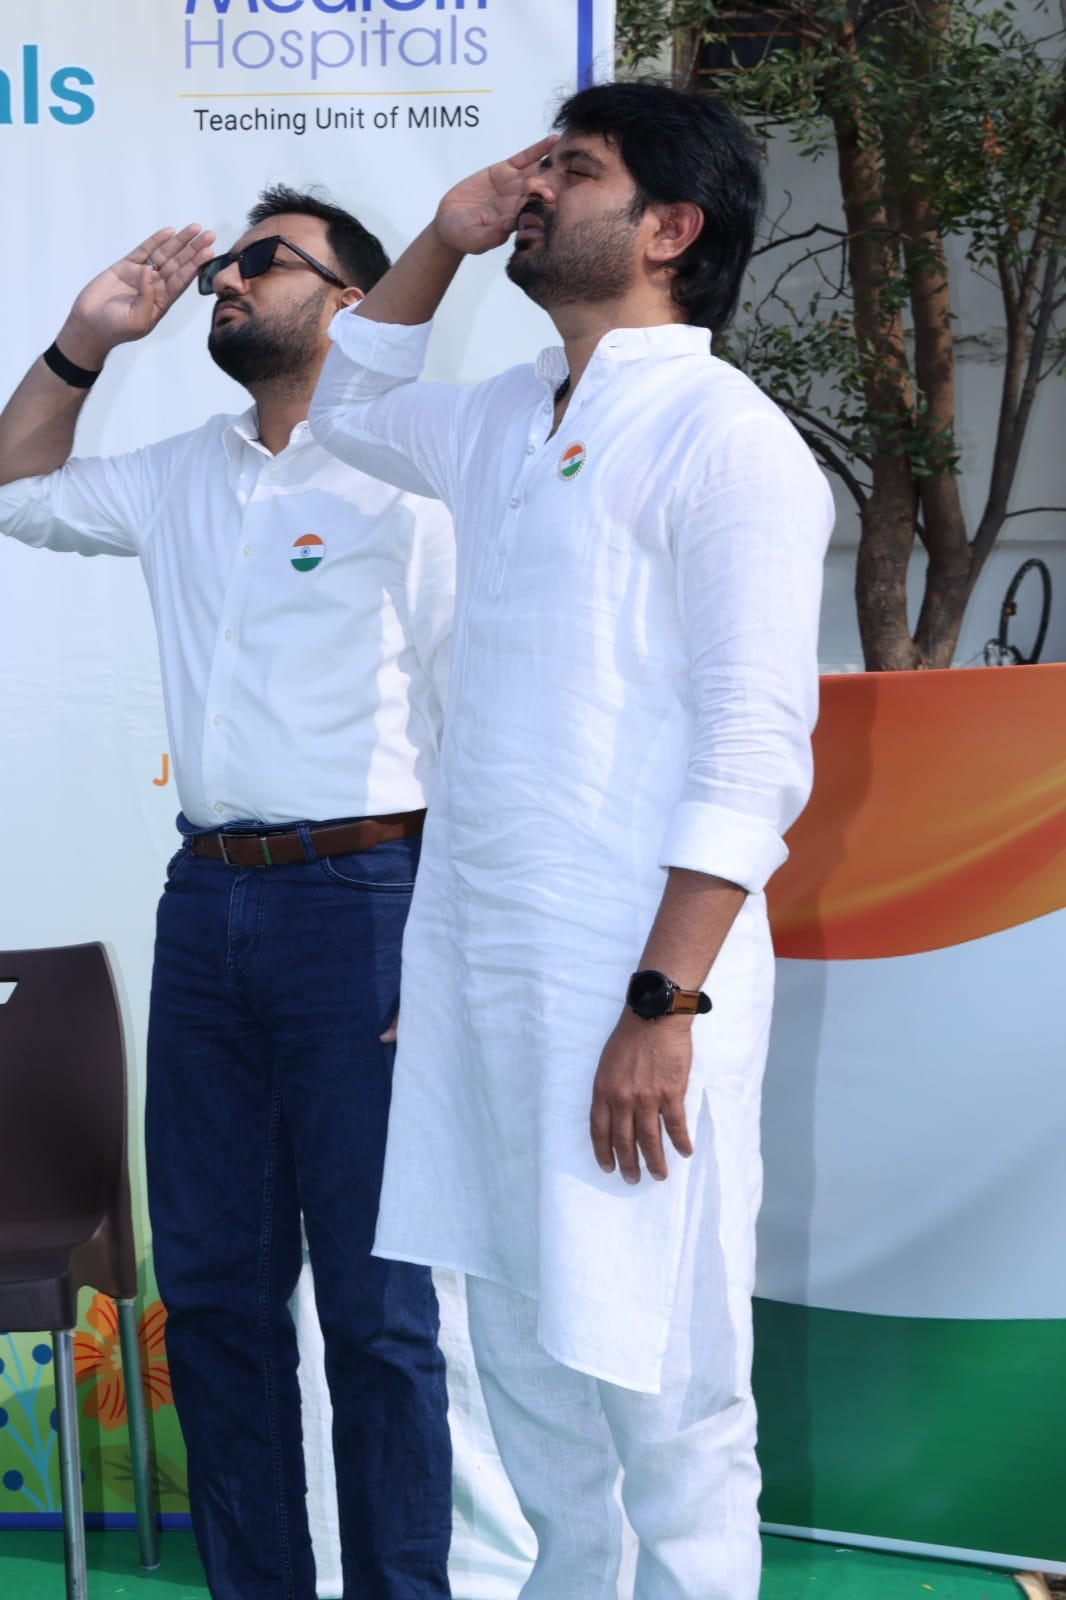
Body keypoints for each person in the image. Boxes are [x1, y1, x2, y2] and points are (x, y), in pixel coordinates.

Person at [309, 80, 834, 1600]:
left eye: (574, 171)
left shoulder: (727, 438)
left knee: (667, 1396)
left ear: (669, 229)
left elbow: (752, 746)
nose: (534, 190)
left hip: (639, 991)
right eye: (537, 167)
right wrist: (443, 236)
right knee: (530, 1371)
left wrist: (663, 1004)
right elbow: (345, 406)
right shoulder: (503, 416)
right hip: (488, 980)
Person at [0, 188, 454, 1600]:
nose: (228, 282)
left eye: (265, 261)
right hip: (206, 906)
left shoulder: (416, 476)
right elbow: (10, 486)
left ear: (354, 305)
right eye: (225, 268)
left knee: (378, 1314)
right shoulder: (180, 470)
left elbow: (473, 714)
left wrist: (445, 935)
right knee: (210, 1295)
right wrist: (85, 340)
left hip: (369, 899)